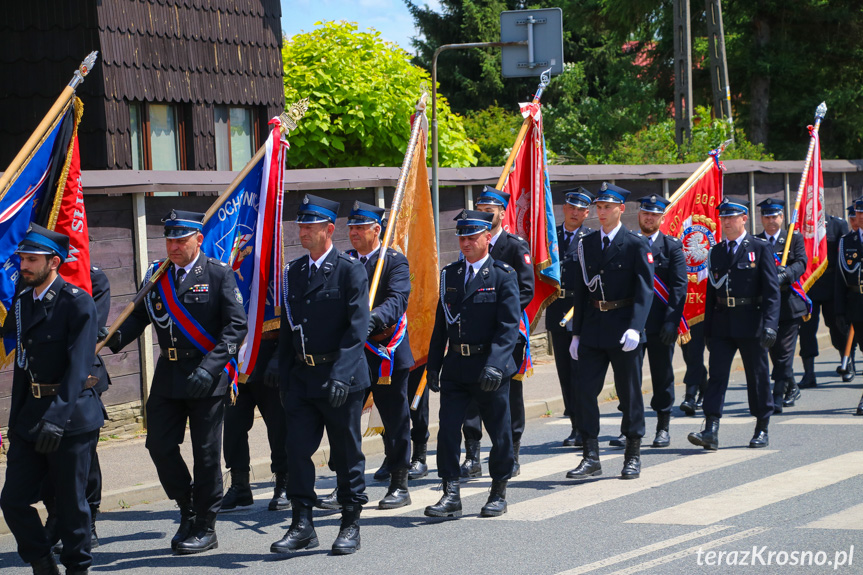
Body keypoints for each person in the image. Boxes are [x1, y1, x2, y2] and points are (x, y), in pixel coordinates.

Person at [106, 210, 247, 554]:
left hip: (206, 379)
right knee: (159, 444)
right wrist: (111, 338)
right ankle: (187, 505)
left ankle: (205, 525)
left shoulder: (218, 274)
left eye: (181, 239)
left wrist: (211, 367)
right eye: (169, 239)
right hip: (168, 377)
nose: (174, 246)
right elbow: (139, 316)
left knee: (207, 455)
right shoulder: (157, 275)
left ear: (199, 239)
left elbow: (236, 327)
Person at [270, 194, 370, 555]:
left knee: (345, 453)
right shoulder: (294, 272)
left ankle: (350, 522)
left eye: (310, 226)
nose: (303, 232)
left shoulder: (349, 269)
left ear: (329, 229)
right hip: (302, 378)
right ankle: (302, 524)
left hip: (340, 377)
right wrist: (283, 375)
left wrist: (342, 375)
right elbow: (288, 329)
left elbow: (357, 328)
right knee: (296, 451)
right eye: (300, 225)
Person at [0, 225, 103, 575]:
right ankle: (42, 563)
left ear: (54, 262)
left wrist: (57, 419)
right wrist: (16, 423)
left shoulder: (77, 302)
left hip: (70, 417)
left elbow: (78, 367)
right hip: (30, 415)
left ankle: (77, 567)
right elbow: (23, 367)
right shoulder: (22, 301)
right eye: (22, 258)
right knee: (12, 499)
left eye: (32, 260)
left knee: (71, 503)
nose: (23, 265)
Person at [424, 209, 520, 519]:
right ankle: (450, 492)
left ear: (487, 238)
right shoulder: (450, 274)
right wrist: (434, 365)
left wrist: (495, 363)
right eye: (462, 237)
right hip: (457, 367)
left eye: (472, 237)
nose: (465, 242)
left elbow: (508, 326)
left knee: (499, 432)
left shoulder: (503, 275)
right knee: (448, 431)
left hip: (489, 368)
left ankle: (498, 490)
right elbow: (441, 325)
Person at [326, 201, 413, 510]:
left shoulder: (393, 262)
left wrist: (370, 320)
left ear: (377, 229)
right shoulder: (342, 262)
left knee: (395, 419)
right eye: (351, 228)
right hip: (351, 354)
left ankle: (399, 481)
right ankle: (345, 484)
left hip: (385, 350)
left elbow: (397, 300)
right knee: (344, 420)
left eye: (360, 228)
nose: (354, 233)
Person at [567, 183, 653, 480]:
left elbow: (645, 292)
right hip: (593, 326)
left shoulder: (635, 243)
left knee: (629, 394)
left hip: (623, 325)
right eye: (599, 207)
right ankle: (591, 456)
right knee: (584, 393)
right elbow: (580, 291)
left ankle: (632, 454)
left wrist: (636, 328)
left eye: (607, 207)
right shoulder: (587, 244)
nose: (601, 212)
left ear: (621, 209)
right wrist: (576, 333)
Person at [688, 199, 780, 450]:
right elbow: (710, 292)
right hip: (721, 323)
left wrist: (770, 324)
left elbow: (772, 292)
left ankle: (762, 426)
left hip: (752, 322)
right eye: (723, 218)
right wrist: (707, 330)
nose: (726, 222)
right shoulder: (716, 251)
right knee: (716, 376)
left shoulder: (759, 248)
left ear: (744, 219)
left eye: (732, 217)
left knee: (757, 376)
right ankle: (711, 429)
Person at [460, 186, 534, 478]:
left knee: (509, 394)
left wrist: (500, 316)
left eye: (490, 210)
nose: (485, 213)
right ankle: (472, 454)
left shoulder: (515, 246)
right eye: (481, 208)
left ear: (503, 213)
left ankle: (511, 451)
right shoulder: (471, 242)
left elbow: (526, 290)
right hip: (474, 336)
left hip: (506, 334)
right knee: (471, 397)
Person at [44, 266, 112, 553]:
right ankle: (56, 516)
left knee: (84, 459)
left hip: (82, 376)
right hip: (44, 380)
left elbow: (91, 327)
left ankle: (89, 521)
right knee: (46, 456)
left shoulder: (90, 275)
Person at [635, 195, 686, 447]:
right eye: (645, 212)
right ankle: (630, 427)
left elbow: (679, 287)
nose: (649, 217)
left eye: (654, 214)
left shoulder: (671, 247)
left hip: (659, 325)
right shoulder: (629, 243)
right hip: (632, 325)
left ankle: (663, 426)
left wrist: (672, 322)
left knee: (662, 376)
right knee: (629, 378)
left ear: (662, 218)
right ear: (639, 215)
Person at [545, 188, 594, 447]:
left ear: (587, 213)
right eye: (571, 207)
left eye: (581, 209)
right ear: (564, 208)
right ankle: (574, 424)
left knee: (581, 371)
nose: (575, 213)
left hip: (581, 309)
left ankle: (586, 424)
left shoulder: (591, 239)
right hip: (557, 308)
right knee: (564, 370)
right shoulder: (550, 238)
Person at [220, 335, 289, 512]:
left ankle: (284, 482)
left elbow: (289, 322)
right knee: (233, 426)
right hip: (238, 364)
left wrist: (278, 357)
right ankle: (240, 484)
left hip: (268, 359)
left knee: (278, 426)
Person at [755, 198, 808, 413]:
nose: (771, 221)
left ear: (782, 217)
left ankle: (776, 395)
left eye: (775, 216)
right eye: (767, 217)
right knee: (775, 352)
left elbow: (802, 262)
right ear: (761, 219)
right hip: (766, 306)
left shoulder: (792, 238)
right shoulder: (756, 241)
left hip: (788, 304)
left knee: (785, 352)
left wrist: (786, 274)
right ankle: (792, 386)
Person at [797, 211, 848, 387]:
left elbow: (843, 259)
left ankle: (846, 362)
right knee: (806, 330)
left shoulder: (838, 225)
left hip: (832, 286)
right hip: (808, 286)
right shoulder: (798, 226)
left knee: (837, 325)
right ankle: (809, 373)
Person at [835, 197, 863, 415]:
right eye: (858, 213)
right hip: (857, 303)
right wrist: (840, 310)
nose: (861, 217)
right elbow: (840, 279)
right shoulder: (847, 241)